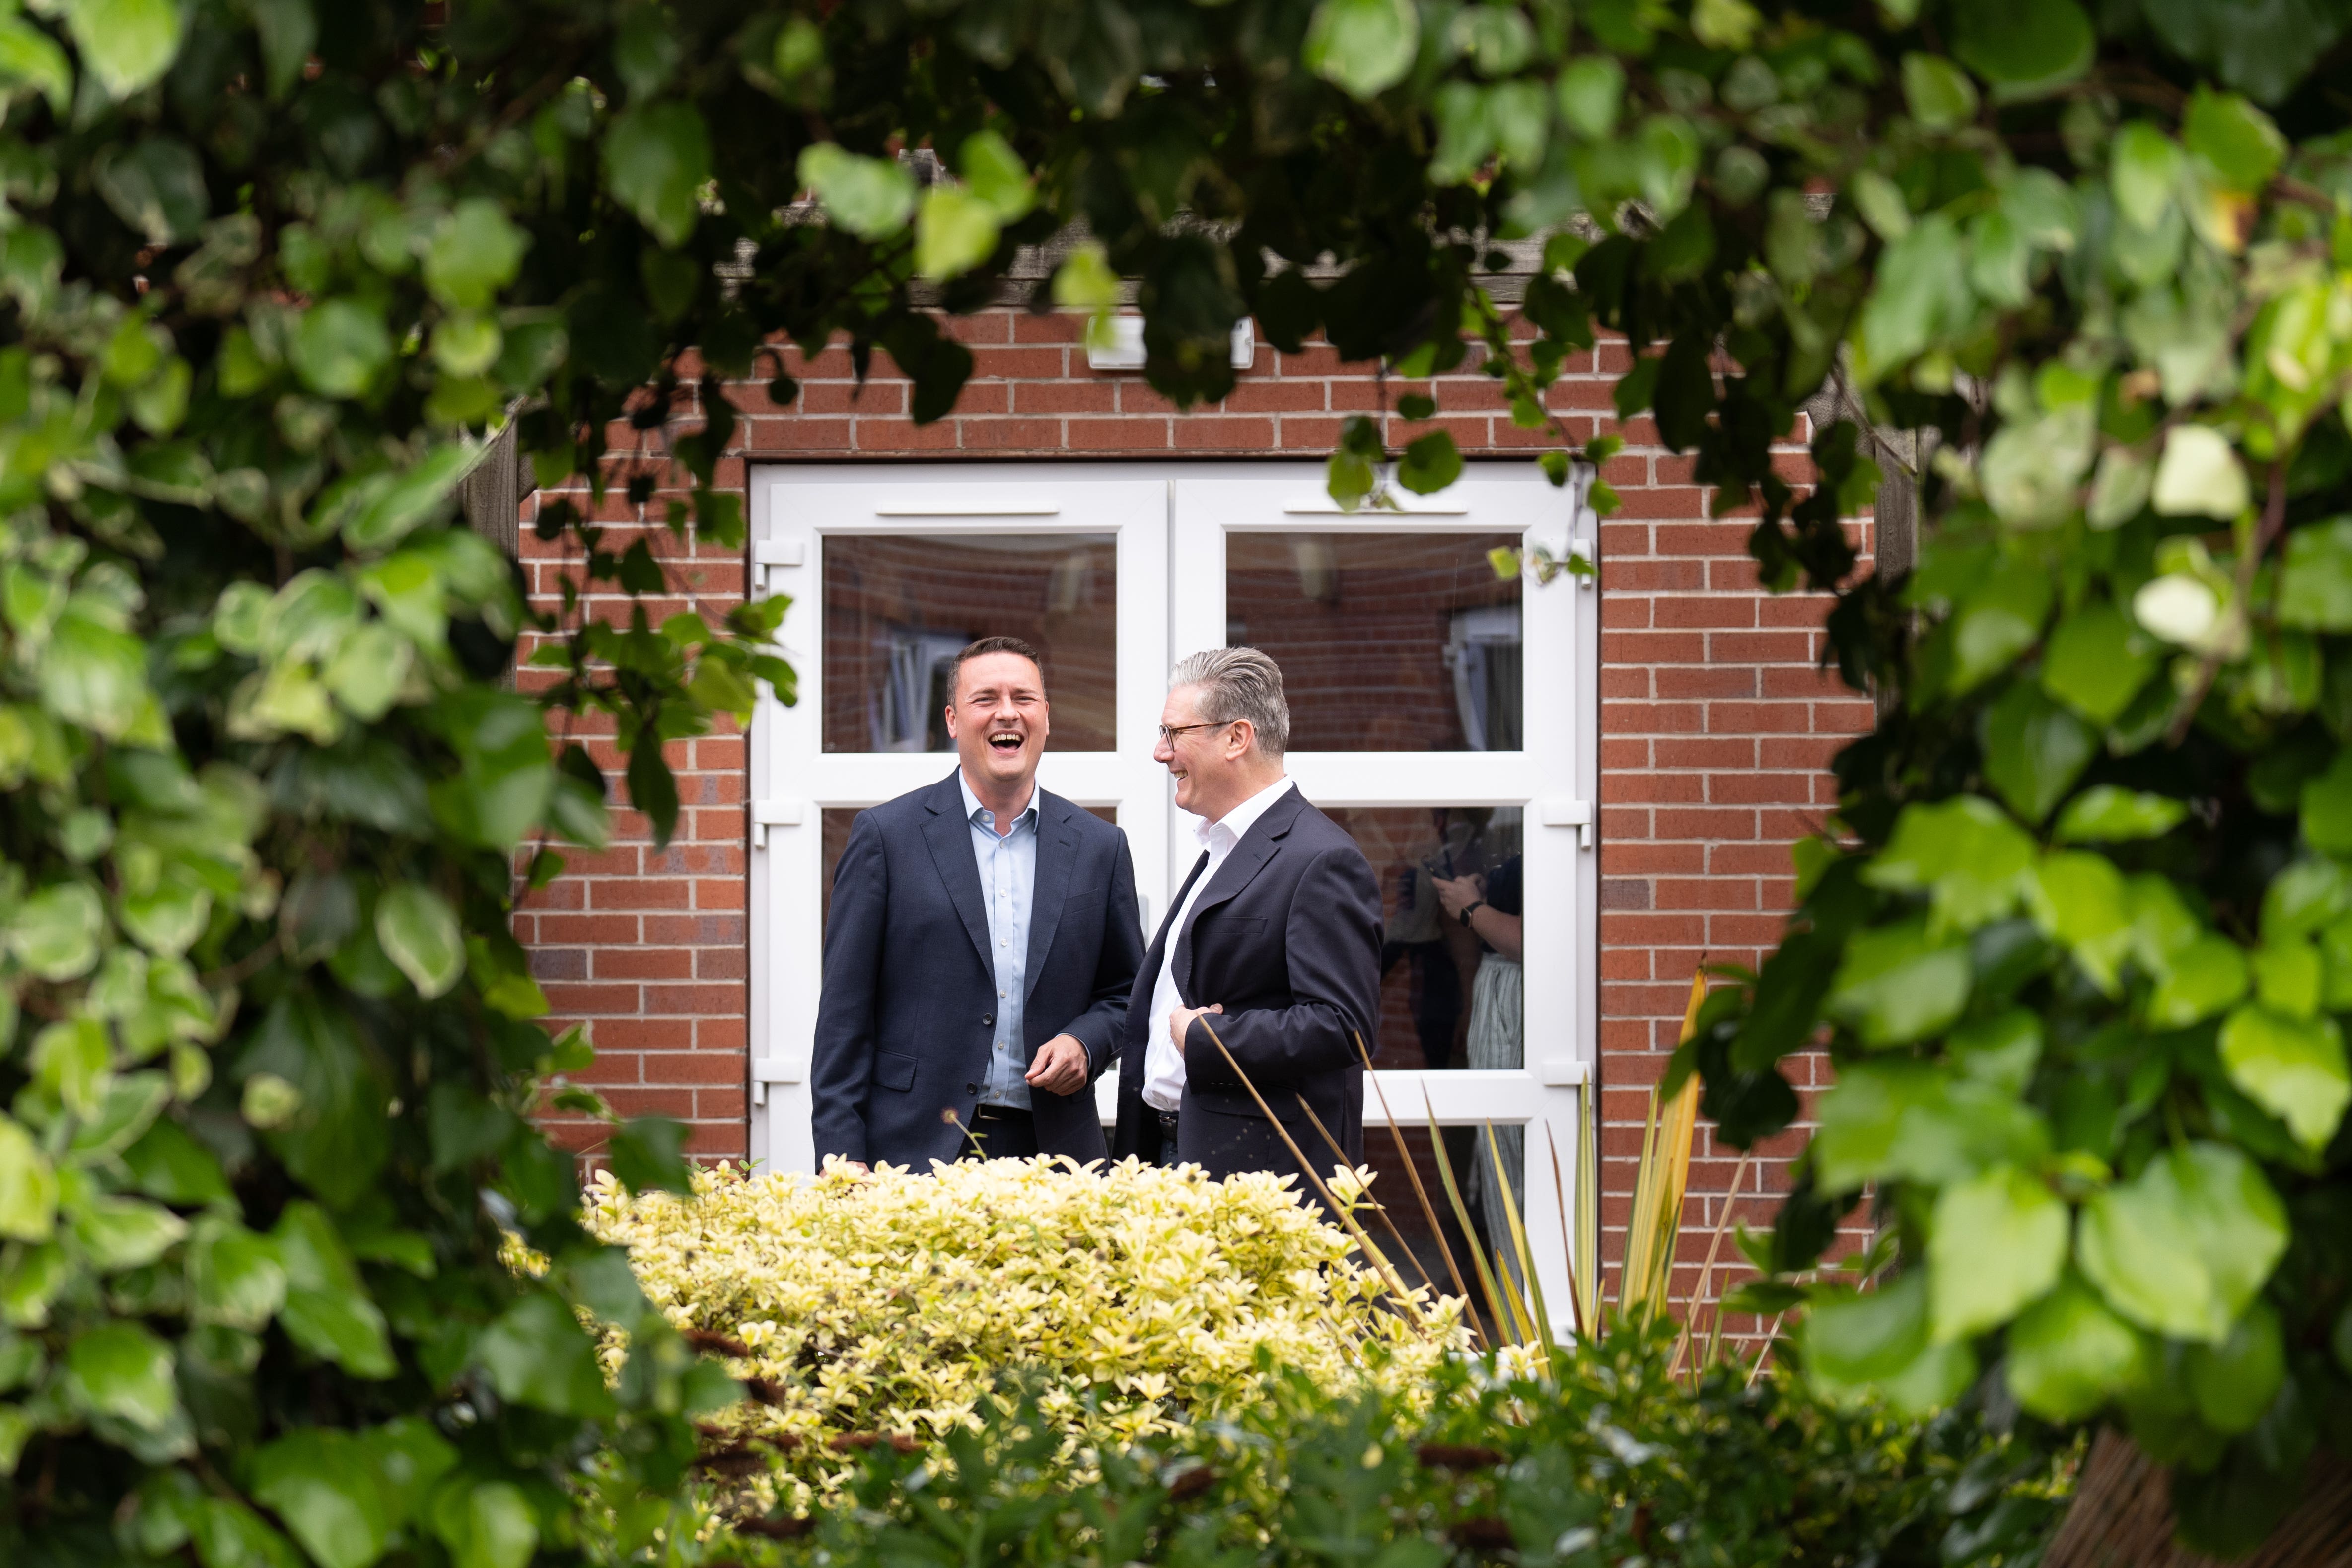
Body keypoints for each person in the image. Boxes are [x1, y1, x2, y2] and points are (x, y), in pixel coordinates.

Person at [811, 636, 1146, 1168]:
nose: (1006, 712)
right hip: (912, 1150)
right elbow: (844, 1017)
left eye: (1024, 698)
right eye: (985, 698)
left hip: (1056, 1154)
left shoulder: (1100, 847)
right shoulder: (886, 837)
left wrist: (1084, 1044)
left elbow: (1127, 993)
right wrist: (841, 1155)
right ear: (952, 718)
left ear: (1047, 716)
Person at [1110, 647, 1384, 1190]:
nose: (1160, 753)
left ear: (1237, 737)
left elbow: (1341, 1025)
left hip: (1253, 1178)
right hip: (1172, 1152)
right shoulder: (1222, 846)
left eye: (1174, 733)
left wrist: (1209, 1036)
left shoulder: (1321, 859)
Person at [1435, 855, 1524, 1280]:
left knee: (1510, 1158)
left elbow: (1530, 939)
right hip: (1500, 992)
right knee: (1494, 1156)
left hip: (1517, 997)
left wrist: (1471, 908)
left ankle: (1521, 1306)